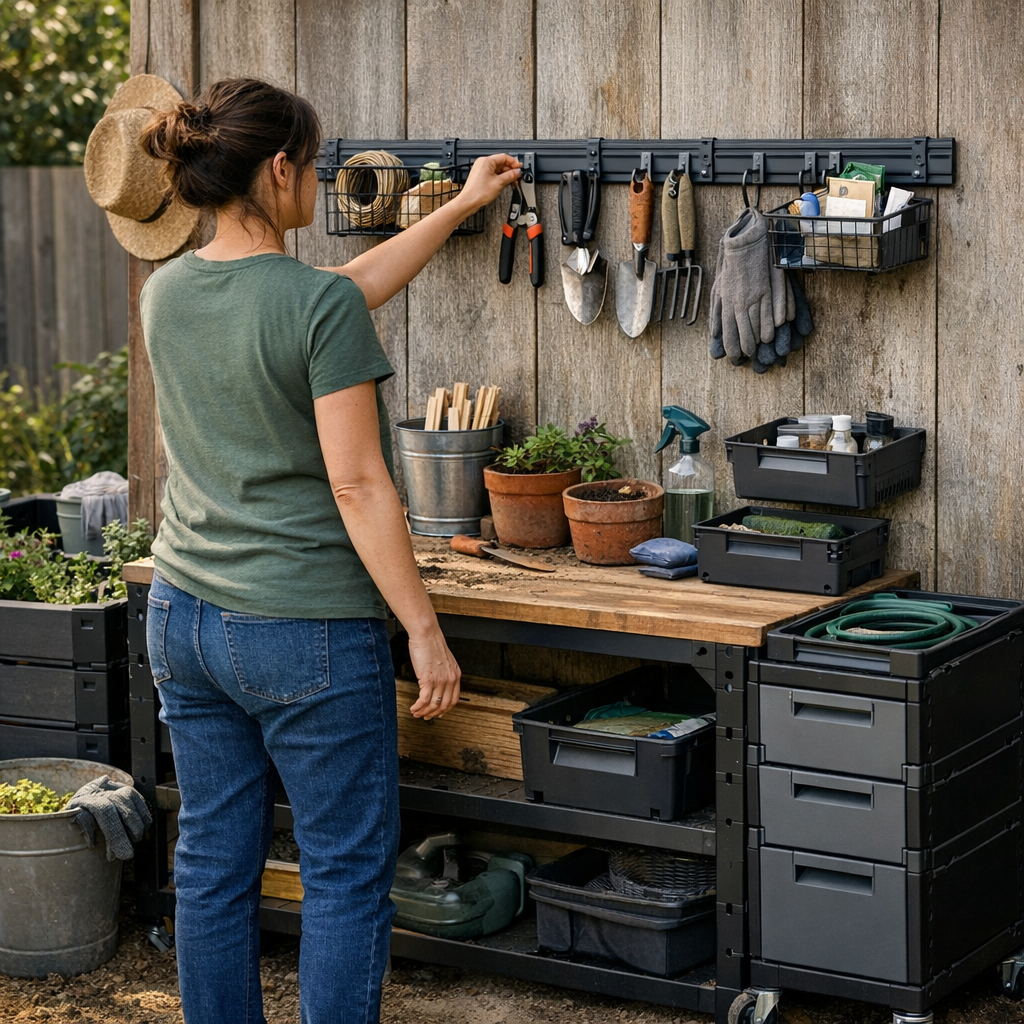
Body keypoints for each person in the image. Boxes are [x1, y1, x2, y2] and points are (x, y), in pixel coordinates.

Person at [136, 77, 520, 1024]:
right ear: (280, 170)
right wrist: (422, 629)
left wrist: (464, 205)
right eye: (315, 163)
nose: (321, 177)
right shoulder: (313, 307)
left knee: (215, 863)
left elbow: (343, 290)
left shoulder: (168, 293)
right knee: (346, 871)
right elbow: (359, 486)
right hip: (303, 629)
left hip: (183, 613)